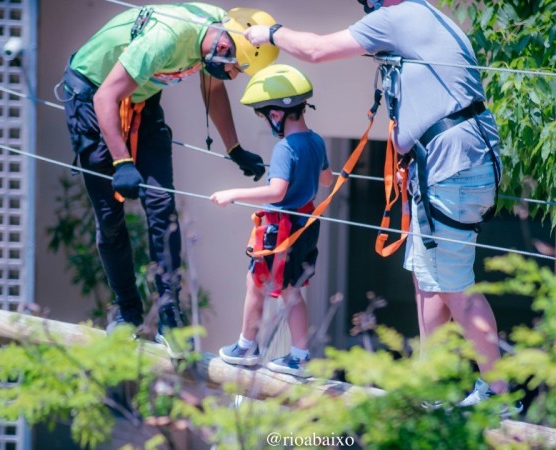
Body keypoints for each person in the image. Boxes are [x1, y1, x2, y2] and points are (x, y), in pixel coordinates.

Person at [245, 0, 508, 404]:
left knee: (456, 288)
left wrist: (269, 34)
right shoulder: (426, 16)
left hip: (451, 167)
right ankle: (430, 387)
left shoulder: (397, 17)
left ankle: (499, 393)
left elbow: (316, 50)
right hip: (449, 165)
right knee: (429, 282)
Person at [58, 4, 278, 355]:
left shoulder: (218, 32)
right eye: (235, 69)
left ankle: (169, 315)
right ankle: (127, 313)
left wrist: (234, 148)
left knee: (162, 207)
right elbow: (105, 97)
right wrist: (122, 162)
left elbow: (213, 90)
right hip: (93, 96)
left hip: (140, 99)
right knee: (110, 218)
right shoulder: (167, 38)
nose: (233, 76)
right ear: (223, 47)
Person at [210, 64, 333, 377]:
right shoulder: (316, 141)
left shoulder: (285, 148)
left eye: (264, 115)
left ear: (276, 114)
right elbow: (327, 180)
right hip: (305, 224)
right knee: (293, 291)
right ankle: (300, 357)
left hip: (280, 229)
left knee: (255, 285)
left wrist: (233, 193)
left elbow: (276, 191)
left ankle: (246, 346)